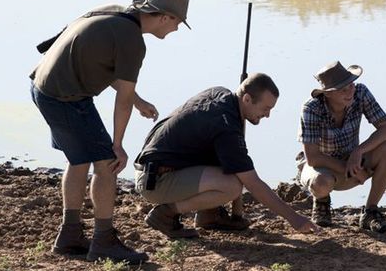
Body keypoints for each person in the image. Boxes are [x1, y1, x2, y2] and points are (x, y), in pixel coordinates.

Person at [30, 0, 191, 264]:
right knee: (107, 165)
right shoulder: (132, 41)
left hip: (44, 87)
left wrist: (139, 101)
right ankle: (103, 241)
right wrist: (117, 146)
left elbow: (105, 67)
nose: (176, 29)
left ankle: (69, 236)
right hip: (66, 97)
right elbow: (123, 101)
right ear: (164, 17)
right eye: (177, 21)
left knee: (79, 161)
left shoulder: (114, 13)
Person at [134, 73, 319, 238]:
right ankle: (165, 214)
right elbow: (253, 183)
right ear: (247, 98)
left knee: (228, 164)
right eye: (265, 108)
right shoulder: (226, 126)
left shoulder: (220, 94)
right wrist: (294, 218)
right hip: (156, 181)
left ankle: (209, 215)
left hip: (156, 168)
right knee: (232, 186)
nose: (268, 115)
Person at [297, 61, 386, 232]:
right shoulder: (311, 108)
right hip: (322, 167)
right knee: (320, 183)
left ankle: (371, 211)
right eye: (342, 89)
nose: (350, 91)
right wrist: (349, 168)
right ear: (327, 94)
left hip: (353, 158)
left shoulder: (360, 92)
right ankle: (321, 202)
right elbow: (313, 157)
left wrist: (358, 152)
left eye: (350, 85)